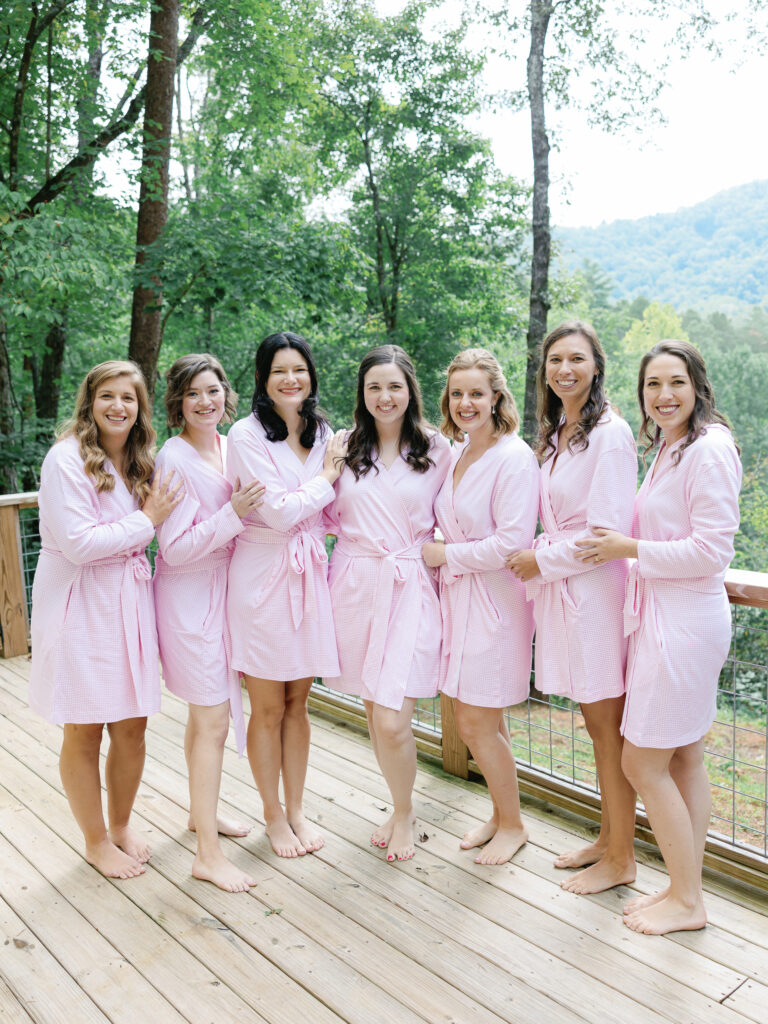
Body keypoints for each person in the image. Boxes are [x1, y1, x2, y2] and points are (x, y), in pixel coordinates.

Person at [575, 339, 741, 934]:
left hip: (686, 623)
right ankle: (683, 886)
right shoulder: (671, 448)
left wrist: (630, 550)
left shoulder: (711, 451)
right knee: (686, 758)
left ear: (697, 384)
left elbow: (712, 550)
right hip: (662, 617)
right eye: (652, 385)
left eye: (675, 382)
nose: (663, 395)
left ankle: (688, 903)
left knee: (642, 761)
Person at [28, 360, 182, 879]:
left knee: (133, 725)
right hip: (79, 601)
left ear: (140, 409)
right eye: (108, 396)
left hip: (129, 598)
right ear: (89, 402)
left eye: (129, 399)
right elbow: (80, 543)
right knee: (85, 726)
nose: (119, 407)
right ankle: (94, 841)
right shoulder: (65, 459)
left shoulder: (141, 460)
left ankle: (120, 825)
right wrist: (147, 521)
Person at [506, 320, 639, 894]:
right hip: (566, 593)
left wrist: (543, 562)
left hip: (595, 591)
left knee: (608, 728)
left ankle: (624, 858)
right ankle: (608, 839)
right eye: (555, 360)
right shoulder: (560, 430)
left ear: (596, 366)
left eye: (576, 359)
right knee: (593, 723)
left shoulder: (611, 433)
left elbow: (606, 533)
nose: (564, 369)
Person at [325, 344, 450, 862]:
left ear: (410, 391)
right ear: (362, 393)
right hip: (355, 585)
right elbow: (319, 508)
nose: (384, 395)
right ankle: (401, 805)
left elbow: (464, 505)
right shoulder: (342, 446)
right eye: (374, 386)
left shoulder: (441, 450)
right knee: (375, 713)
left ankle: (404, 812)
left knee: (396, 718)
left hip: (410, 584)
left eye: (394, 385)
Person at [226, 332, 346, 858]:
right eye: (279, 371)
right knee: (268, 706)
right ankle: (272, 815)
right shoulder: (245, 435)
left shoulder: (323, 431)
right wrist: (322, 479)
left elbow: (315, 507)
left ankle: (296, 807)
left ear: (311, 375)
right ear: (263, 379)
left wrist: (313, 490)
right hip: (263, 578)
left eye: (299, 369)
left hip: (309, 574)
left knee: (300, 703)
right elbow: (275, 512)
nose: (291, 379)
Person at [154, 354, 265, 892]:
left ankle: (202, 813)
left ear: (227, 394)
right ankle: (207, 855)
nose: (206, 401)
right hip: (189, 597)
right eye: (194, 393)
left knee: (204, 719)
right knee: (215, 719)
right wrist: (233, 515)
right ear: (178, 401)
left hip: (228, 593)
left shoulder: (228, 446)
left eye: (214, 390)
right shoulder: (172, 459)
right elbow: (173, 549)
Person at [423, 349, 539, 865]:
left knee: (473, 723)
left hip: (496, 603)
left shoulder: (514, 458)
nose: (466, 403)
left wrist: (446, 554)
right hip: (459, 601)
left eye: (476, 393)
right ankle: (499, 812)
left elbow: (512, 542)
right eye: (457, 394)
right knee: (487, 720)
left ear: (497, 397)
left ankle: (514, 825)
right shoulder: (455, 452)